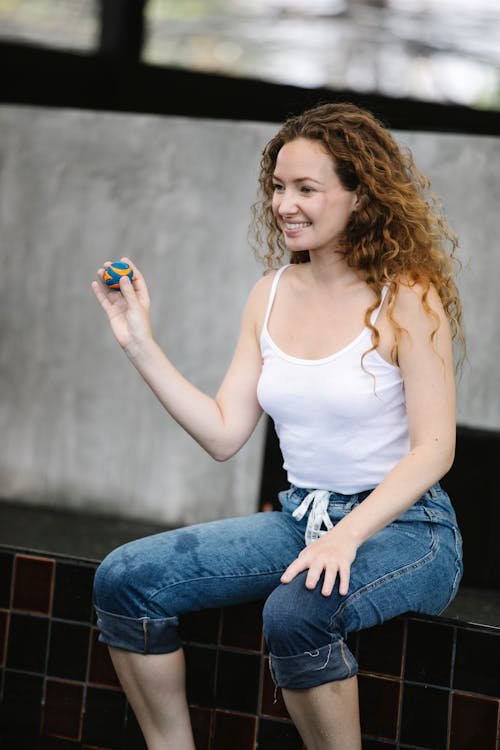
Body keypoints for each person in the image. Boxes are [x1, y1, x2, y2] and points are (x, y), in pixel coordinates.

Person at [91, 102, 464, 750]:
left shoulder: (407, 294)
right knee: (126, 580)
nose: (285, 204)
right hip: (301, 519)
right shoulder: (268, 294)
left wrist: (345, 538)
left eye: (307, 189)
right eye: (278, 187)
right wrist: (138, 343)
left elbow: (435, 449)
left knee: (295, 614)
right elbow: (222, 433)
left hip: (408, 529)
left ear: (358, 195)